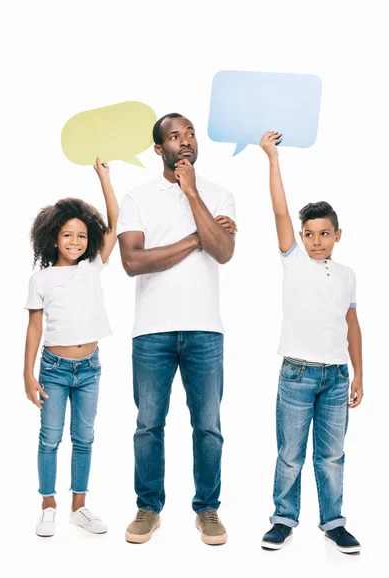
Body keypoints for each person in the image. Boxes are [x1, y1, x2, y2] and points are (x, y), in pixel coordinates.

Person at [117, 113, 237, 545]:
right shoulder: (137, 197)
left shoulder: (219, 195)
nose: (184, 141)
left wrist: (191, 193)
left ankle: (208, 510)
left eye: (189, 134)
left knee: (208, 425)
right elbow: (132, 262)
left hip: (205, 329)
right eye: (174, 135)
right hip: (152, 331)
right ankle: (148, 507)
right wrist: (194, 238)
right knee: (148, 425)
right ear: (158, 149)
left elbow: (223, 251)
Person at [259, 131, 363, 553]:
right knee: (290, 454)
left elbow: (352, 326)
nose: (315, 241)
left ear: (338, 234)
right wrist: (272, 158)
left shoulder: (347, 276)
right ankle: (283, 519)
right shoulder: (295, 263)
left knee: (332, 456)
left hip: (337, 376)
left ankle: (333, 522)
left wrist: (359, 374)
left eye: (324, 234)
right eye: (308, 234)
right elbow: (280, 210)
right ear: (300, 237)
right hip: (297, 374)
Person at [24, 159, 119, 537]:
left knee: (85, 438)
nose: (75, 242)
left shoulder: (93, 266)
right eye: (67, 235)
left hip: (90, 368)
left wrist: (104, 177)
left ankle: (79, 506)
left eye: (81, 236)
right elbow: (34, 328)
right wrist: (27, 375)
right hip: (54, 369)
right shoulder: (41, 279)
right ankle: (48, 504)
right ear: (53, 239)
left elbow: (114, 224)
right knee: (50, 437)